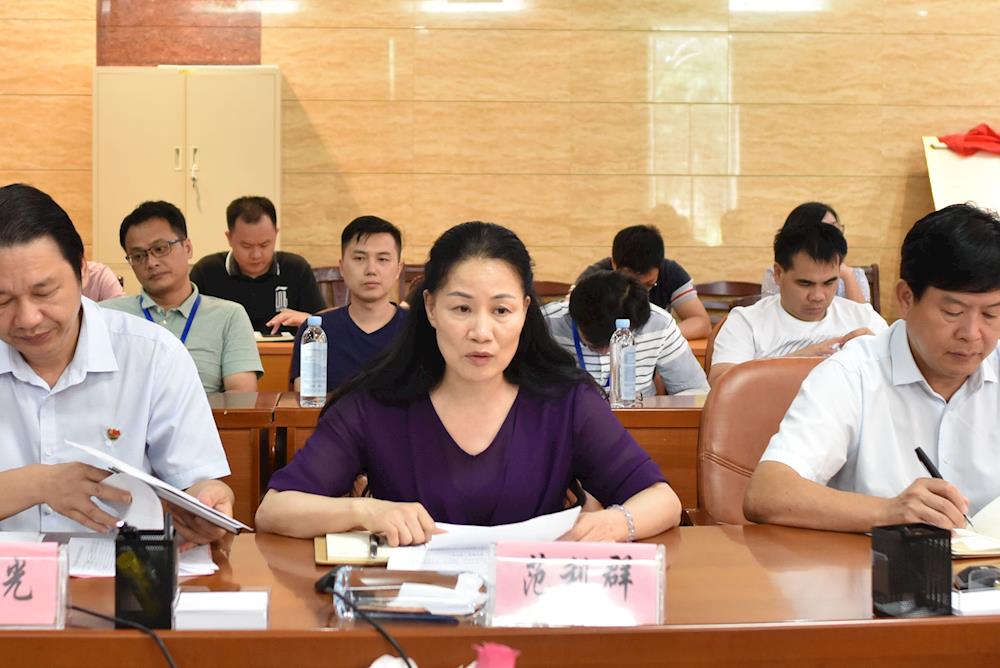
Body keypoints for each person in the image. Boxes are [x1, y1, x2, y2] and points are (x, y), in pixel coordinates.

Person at [256, 221, 681, 544]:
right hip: (411, 612)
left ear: (525, 311)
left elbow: (662, 499)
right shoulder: (378, 400)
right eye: (461, 309)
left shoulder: (566, 399)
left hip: (533, 610)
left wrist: (615, 523)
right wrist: (366, 513)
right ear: (430, 308)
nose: (481, 332)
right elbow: (275, 510)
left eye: (501, 311)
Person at [744, 204, 1000, 532]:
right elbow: (767, 492)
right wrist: (890, 511)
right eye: (953, 312)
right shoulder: (852, 374)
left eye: (991, 314)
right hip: (873, 563)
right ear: (906, 298)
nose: (972, 333)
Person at [0, 183, 234, 542]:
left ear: (82, 271)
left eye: (44, 292)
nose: (28, 318)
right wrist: (39, 483)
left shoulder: (153, 355)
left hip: (123, 569)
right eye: (2, 300)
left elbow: (196, 480)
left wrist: (208, 501)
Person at [102, 201, 262, 393]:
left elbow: (241, 397)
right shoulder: (107, 316)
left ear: (187, 248)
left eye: (160, 249)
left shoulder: (229, 316)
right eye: (138, 256)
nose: (151, 263)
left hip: (205, 412)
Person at [709, 216, 888, 386]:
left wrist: (874, 359)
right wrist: (800, 360)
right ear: (778, 274)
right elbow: (721, 383)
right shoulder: (747, 321)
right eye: (805, 283)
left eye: (829, 283)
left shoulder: (863, 318)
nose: (818, 296)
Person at [543, 271, 708, 397]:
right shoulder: (546, 322)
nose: (607, 352)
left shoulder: (659, 323)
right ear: (574, 317)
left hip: (638, 420)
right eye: (593, 345)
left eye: (618, 342)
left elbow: (695, 390)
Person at [289, 215, 406, 392]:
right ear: (342, 267)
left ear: (398, 269)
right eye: (359, 258)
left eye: (382, 259)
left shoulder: (418, 328)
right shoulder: (316, 331)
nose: (371, 270)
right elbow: (306, 401)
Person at [189, 196, 325, 333]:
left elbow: (324, 328)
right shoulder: (206, 272)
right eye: (246, 246)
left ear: (276, 234)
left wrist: (308, 320)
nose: (256, 255)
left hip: (285, 347)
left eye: (264, 244)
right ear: (229, 238)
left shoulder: (296, 269)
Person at [577, 225, 711, 340]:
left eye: (648, 285)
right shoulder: (592, 280)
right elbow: (574, 325)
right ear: (614, 264)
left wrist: (654, 337)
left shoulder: (670, 272)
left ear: (660, 265)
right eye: (630, 285)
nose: (639, 293)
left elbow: (701, 323)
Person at [761, 203, 870, 304]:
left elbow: (864, 315)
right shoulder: (779, 273)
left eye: (835, 228)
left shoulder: (855, 274)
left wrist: (847, 275)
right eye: (805, 283)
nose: (818, 297)